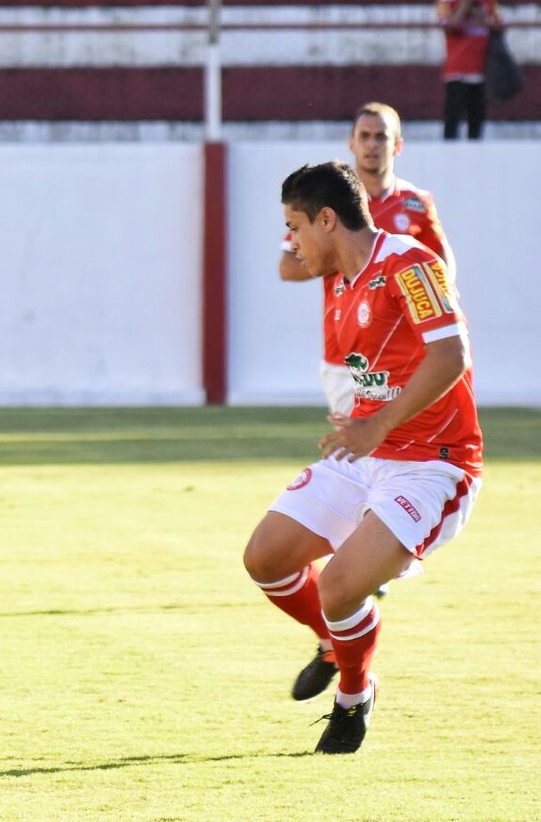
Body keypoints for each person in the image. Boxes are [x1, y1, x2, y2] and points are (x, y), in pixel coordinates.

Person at [246, 160, 482, 754]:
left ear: (328, 220)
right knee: (265, 558)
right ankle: (337, 645)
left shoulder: (409, 262)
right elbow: (383, 367)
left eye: (294, 227)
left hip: (435, 462)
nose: (292, 243)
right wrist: (364, 416)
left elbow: (450, 355)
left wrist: (376, 423)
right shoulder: (340, 281)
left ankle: (353, 695)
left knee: (340, 590)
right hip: (368, 452)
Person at [279, 101, 457, 661]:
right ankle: (343, 622)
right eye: (365, 135)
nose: (374, 144)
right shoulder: (334, 202)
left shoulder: (410, 219)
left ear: (396, 145)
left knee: (339, 581)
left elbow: (443, 287)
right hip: (350, 361)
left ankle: (360, 586)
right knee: (269, 556)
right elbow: (291, 264)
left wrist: (435, 306)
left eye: (383, 135)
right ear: (353, 144)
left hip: (422, 426)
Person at [437, 0, 505, 140]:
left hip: (482, 69)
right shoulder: (445, 2)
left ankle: (476, 152)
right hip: (457, 70)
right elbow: (449, 26)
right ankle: (448, 154)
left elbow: (500, 27)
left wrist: (483, 16)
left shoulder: (490, 2)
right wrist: (465, 5)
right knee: (453, 116)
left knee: (477, 117)